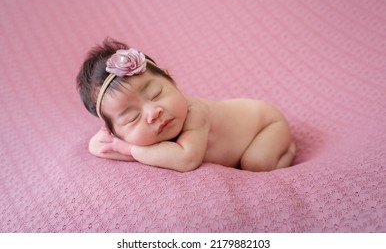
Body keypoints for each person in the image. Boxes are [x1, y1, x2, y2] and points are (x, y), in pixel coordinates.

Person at [76, 38, 296, 172]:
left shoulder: (194, 114)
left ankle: (288, 152)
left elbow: (186, 159)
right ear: (114, 130)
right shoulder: (135, 131)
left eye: (156, 94)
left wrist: (127, 148)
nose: (153, 113)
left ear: (172, 80)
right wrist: (116, 144)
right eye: (131, 118)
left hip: (264, 124)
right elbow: (97, 146)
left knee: (256, 164)